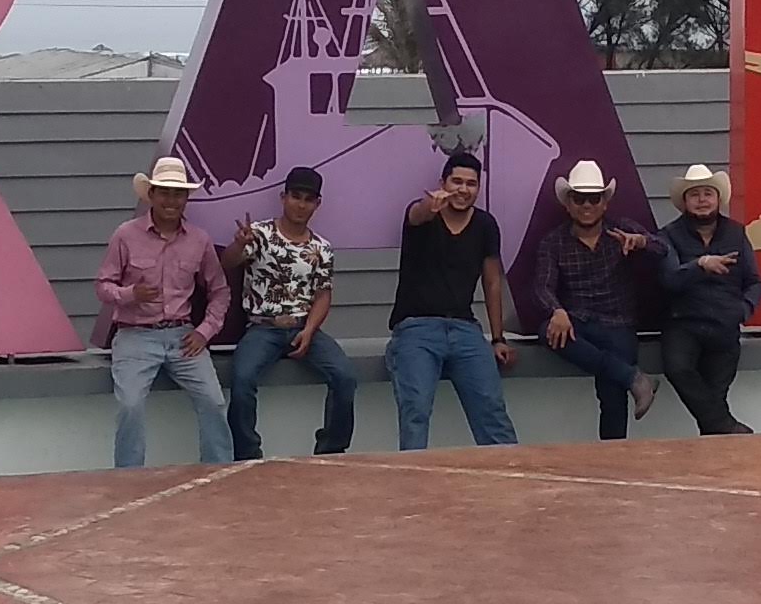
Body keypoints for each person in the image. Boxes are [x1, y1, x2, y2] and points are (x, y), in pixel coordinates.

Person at [92, 157, 233, 468]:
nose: (172, 200)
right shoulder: (125, 235)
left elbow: (220, 291)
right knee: (130, 405)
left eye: (178, 194)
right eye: (165, 193)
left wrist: (204, 331)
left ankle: (219, 469)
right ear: (152, 195)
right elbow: (103, 286)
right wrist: (130, 295)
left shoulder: (199, 239)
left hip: (184, 336)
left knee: (213, 400)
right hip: (134, 335)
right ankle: (130, 477)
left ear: (186, 199)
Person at [384, 148, 519, 450]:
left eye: (471, 183)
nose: (463, 189)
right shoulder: (423, 215)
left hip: (465, 329)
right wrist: (428, 206)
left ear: (478, 188)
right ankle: (414, 481)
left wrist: (498, 338)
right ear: (443, 182)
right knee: (416, 410)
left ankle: (513, 480)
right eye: (456, 181)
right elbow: (416, 215)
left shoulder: (486, 225)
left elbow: (492, 280)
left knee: (491, 409)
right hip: (416, 329)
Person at [223, 164, 357, 458]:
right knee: (242, 378)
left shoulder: (322, 248)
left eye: (309, 199)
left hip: (303, 326)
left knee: (345, 376)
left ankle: (331, 450)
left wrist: (309, 331)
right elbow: (227, 264)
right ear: (283, 197)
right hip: (263, 327)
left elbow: (323, 294)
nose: (301, 204)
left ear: (317, 204)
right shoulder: (258, 234)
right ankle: (246, 454)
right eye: (296, 196)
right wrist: (238, 244)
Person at [530, 158, 653, 439]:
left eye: (593, 199)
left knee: (611, 395)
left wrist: (641, 242)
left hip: (618, 323)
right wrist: (556, 310)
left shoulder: (622, 229)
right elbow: (542, 287)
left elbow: (664, 251)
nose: (587, 206)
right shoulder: (554, 242)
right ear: (568, 203)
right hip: (579, 321)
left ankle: (612, 462)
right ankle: (633, 377)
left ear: (604, 203)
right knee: (546, 331)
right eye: (580, 199)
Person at [657, 162, 761, 435]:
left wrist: (743, 310)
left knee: (715, 398)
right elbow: (667, 280)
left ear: (718, 199)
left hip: (725, 325)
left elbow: (755, 282)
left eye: (708, 193)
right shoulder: (668, 235)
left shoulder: (736, 233)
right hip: (684, 323)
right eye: (694, 194)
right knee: (678, 369)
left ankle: (718, 444)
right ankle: (728, 427)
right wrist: (699, 265)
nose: (702, 200)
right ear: (684, 202)